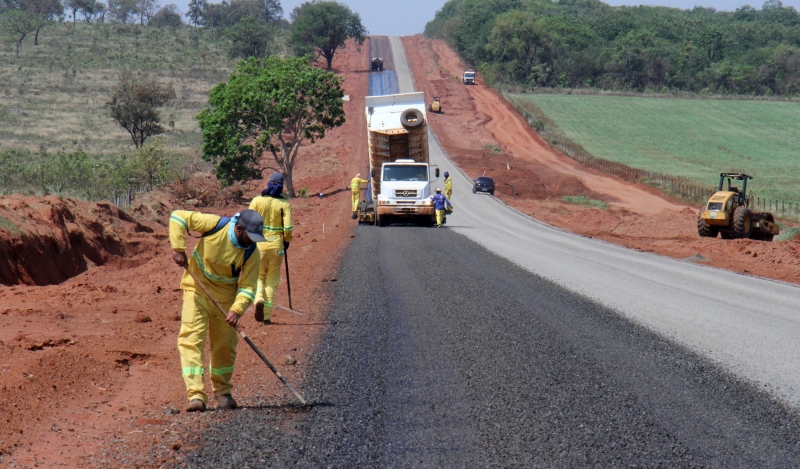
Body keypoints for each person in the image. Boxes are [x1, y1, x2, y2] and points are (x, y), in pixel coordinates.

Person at [169, 209, 265, 412]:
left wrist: (237, 310)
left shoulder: (251, 252)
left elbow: (248, 287)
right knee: (191, 340)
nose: (253, 241)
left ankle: (222, 392)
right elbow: (178, 216)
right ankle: (196, 395)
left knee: (225, 346)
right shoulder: (215, 225)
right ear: (239, 229)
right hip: (196, 290)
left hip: (225, 302)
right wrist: (178, 248)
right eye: (250, 236)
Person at [249, 172, 292, 325]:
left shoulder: (256, 201)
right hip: (276, 247)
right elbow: (287, 229)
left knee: (258, 277)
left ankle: (258, 298)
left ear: (269, 183)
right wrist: (286, 241)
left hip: (258, 245)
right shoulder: (284, 205)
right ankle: (266, 316)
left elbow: (249, 223)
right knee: (272, 281)